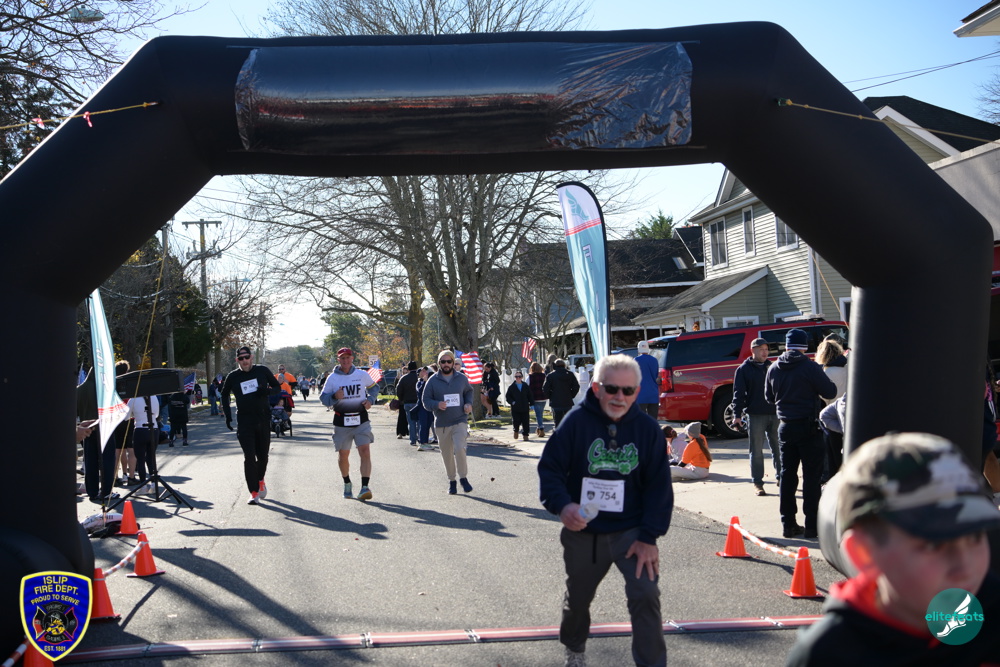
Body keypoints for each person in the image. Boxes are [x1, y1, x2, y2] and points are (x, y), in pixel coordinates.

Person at [786, 432, 1000, 665]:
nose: (964, 566)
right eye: (935, 545)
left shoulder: (992, 612)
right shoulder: (830, 655)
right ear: (864, 554)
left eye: (974, 536)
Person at [538, 354, 671, 667]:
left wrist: (649, 537)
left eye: (628, 390)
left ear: (637, 392)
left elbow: (659, 488)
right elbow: (550, 469)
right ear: (596, 388)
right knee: (578, 598)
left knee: (646, 594)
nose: (619, 397)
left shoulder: (648, 430)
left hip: (633, 532)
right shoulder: (575, 423)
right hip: (586, 533)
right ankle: (574, 648)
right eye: (612, 389)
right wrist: (563, 506)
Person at [765, 328, 837, 539]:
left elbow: (769, 397)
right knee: (811, 477)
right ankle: (812, 526)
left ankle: (788, 525)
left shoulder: (773, 368)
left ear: (787, 346)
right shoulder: (810, 367)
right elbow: (830, 392)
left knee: (787, 476)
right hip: (808, 426)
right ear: (804, 346)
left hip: (785, 426)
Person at [221, 345, 282, 505]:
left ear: (251, 357)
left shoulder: (262, 371)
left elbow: (277, 387)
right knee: (249, 457)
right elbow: (224, 394)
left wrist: (266, 391)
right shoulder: (233, 376)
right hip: (244, 421)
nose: (244, 361)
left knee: (262, 456)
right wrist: (227, 415)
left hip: (262, 419)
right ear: (237, 360)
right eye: (241, 358)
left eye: (246, 357)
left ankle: (260, 479)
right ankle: (253, 492)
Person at [320, 348, 380, 501]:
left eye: (348, 358)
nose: (345, 361)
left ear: (352, 359)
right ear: (338, 360)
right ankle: (347, 482)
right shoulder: (333, 378)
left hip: (361, 420)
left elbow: (374, 388)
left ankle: (365, 487)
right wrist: (334, 396)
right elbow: (323, 399)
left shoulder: (361, 374)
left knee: (365, 451)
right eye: (342, 358)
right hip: (342, 422)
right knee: (343, 454)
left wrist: (370, 400)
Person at [731, 337, 781, 497]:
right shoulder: (743, 369)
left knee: (778, 448)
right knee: (757, 451)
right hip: (755, 415)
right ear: (753, 350)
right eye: (761, 350)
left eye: (766, 349)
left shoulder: (773, 366)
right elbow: (738, 394)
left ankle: (782, 478)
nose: (765, 352)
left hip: (775, 414)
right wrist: (737, 415)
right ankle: (758, 483)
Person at [422, 349, 474, 495]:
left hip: (460, 420)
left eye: (449, 361)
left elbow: (469, 391)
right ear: (439, 363)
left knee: (460, 448)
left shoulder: (461, 378)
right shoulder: (432, 381)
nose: (446, 364)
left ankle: (463, 478)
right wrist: (437, 404)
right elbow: (425, 401)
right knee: (447, 454)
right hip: (442, 423)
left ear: (453, 362)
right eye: (443, 361)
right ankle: (452, 481)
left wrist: (468, 403)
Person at [817, 338, 848, 480]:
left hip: (832, 417)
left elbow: (823, 399)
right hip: (848, 414)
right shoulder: (847, 368)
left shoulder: (826, 373)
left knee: (832, 456)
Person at [125, 393, 161, 487]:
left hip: (140, 429)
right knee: (151, 458)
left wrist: (135, 413)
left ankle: (143, 484)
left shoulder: (133, 399)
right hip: (154, 429)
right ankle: (154, 484)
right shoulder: (154, 397)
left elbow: (126, 416)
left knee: (140, 459)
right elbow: (156, 414)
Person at [543, 358, 580, 429]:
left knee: (557, 421)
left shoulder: (551, 375)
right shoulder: (570, 374)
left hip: (555, 401)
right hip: (567, 401)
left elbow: (545, 388)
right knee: (568, 421)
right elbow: (576, 387)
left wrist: (550, 396)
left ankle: (559, 433)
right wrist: (571, 395)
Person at [396, 361, 421, 447]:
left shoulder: (404, 378)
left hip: (407, 402)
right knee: (419, 422)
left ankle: (413, 440)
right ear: (416, 368)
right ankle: (420, 438)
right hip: (418, 402)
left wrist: (402, 399)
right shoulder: (418, 378)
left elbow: (398, 390)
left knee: (411, 422)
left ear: (409, 369)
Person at [411, 366, 435, 451]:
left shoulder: (430, 382)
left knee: (428, 424)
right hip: (421, 406)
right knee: (423, 424)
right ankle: (422, 442)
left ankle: (426, 442)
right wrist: (424, 382)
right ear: (419, 374)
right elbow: (420, 392)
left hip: (429, 406)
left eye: (426, 371)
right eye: (423, 371)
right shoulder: (419, 383)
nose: (425, 373)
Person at [505, 370, 534, 440]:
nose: (518, 378)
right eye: (516, 377)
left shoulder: (525, 386)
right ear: (515, 377)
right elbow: (508, 397)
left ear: (522, 377)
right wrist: (512, 402)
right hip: (516, 408)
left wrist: (532, 404)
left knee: (526, 422)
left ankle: (526, 435)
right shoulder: (511, 387)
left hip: (525, 407)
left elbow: (530, 395)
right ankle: (516, 431)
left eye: (519, 376)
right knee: (516, 421)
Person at [635, 340, 660, 419]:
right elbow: (656, 375)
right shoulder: (654, 360)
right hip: (653, 394)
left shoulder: (635, 360)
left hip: (640, 395)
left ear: (638, 349)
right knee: (653, 420)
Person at [528, 361, 547, 437]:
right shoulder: (544, 376)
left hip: (535, 398)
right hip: (543, 397)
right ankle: (539, 428)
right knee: (540, 413)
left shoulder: (530, 377)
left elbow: (526, 387)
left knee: (538, 414)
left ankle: (541, 428)